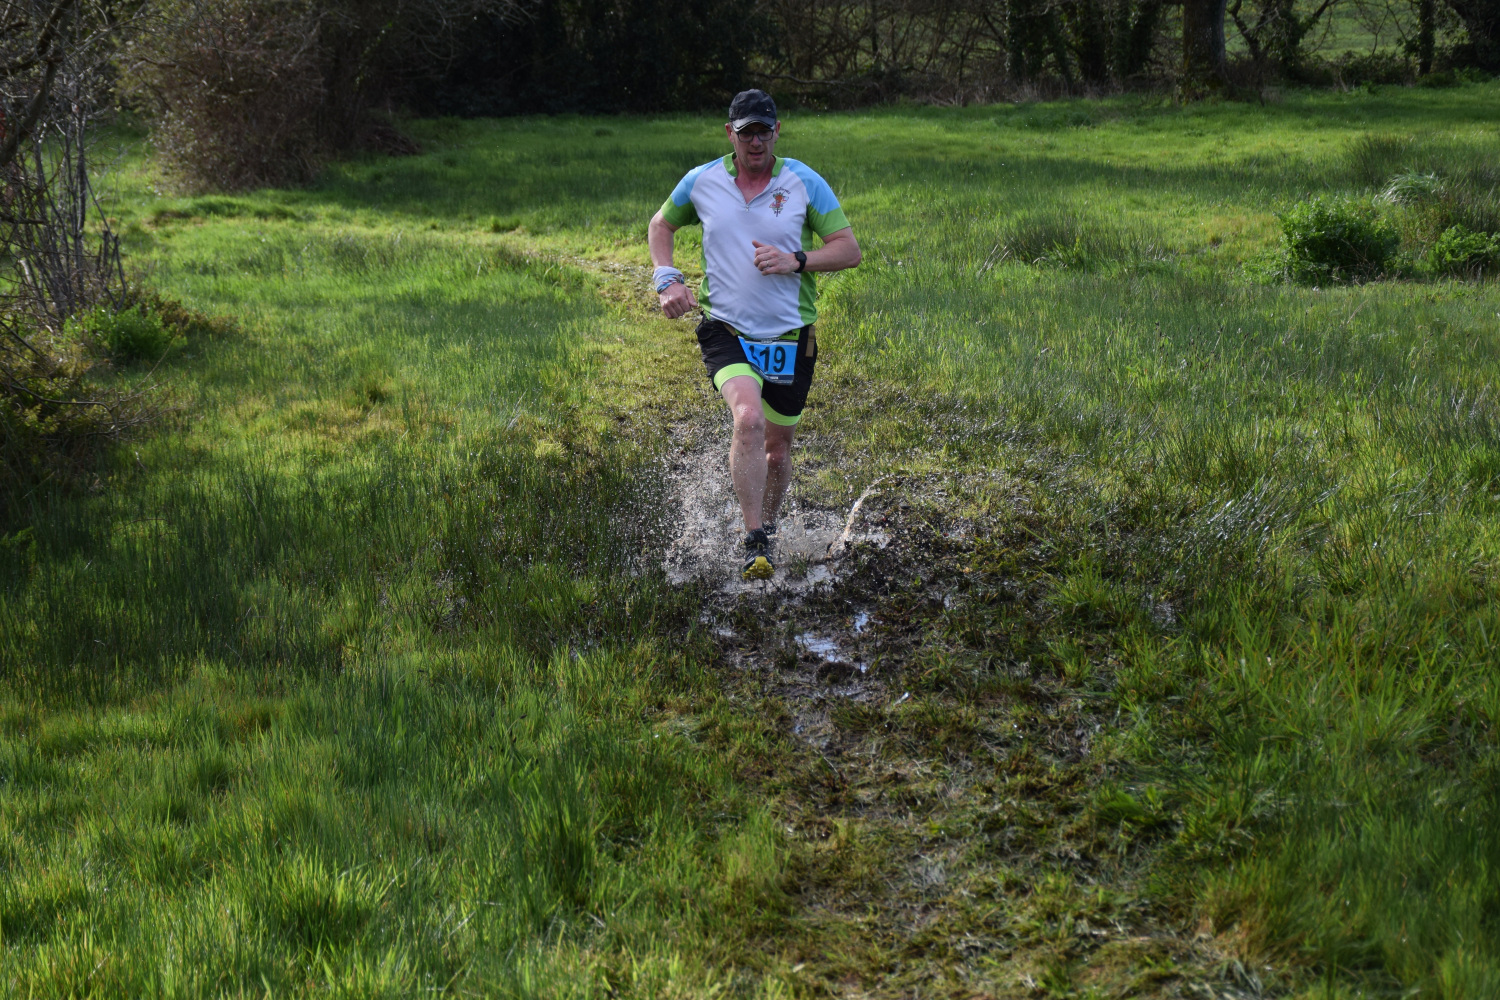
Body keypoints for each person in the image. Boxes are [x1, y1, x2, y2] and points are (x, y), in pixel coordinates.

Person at [648, 89, 861, 580]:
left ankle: (770, 526)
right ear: (731, 134)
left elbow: (849, 250)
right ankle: (754, 540)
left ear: (777, 131)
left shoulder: (803, 182)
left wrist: (796, 260)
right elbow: (661, 225)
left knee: (777, 450)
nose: (757, 142)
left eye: (764, 131)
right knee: (748, 419)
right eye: (747, 133)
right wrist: (666, 278)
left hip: (791, 337)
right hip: (726, 329)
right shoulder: (702, 181)